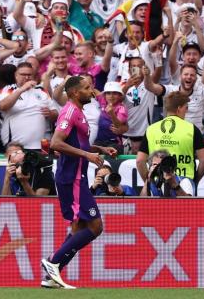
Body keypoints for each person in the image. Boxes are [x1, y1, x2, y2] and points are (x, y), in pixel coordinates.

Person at [41, 76, 117, 289]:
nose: (91, 91)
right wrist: (87, 154)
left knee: (79, 227)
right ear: (74, 93)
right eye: (86, 88)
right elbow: (56, 143)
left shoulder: (79, 112)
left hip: (76, 176)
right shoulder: (70, 111)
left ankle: (51, 275)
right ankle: (53, 261)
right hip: (71, 177)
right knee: (95, 226)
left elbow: (78, 143)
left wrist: (98, 150)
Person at [136, 91, 204, 183]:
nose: (186, 111)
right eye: (186, 108)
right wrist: (195, 181)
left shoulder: (151, 129)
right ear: (179, 109)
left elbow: (140, 161)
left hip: (158, 180)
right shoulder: (192, 129)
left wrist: (149, 182)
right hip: (185, 181)